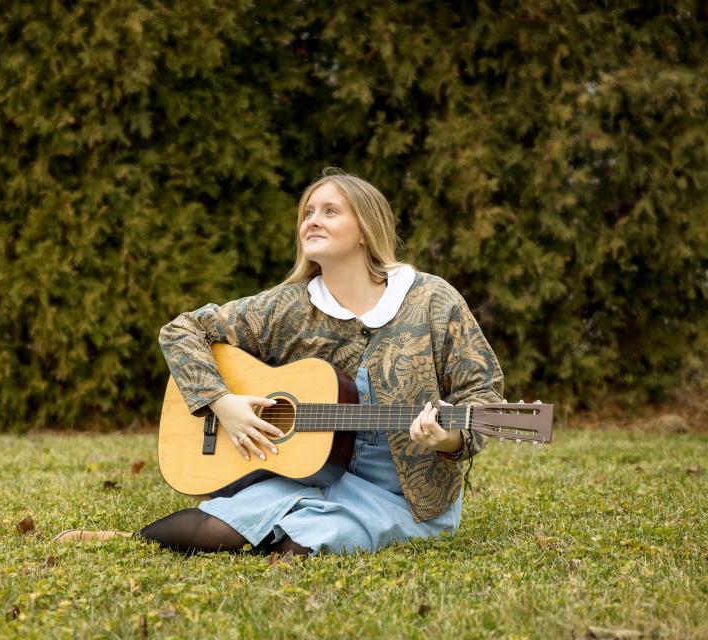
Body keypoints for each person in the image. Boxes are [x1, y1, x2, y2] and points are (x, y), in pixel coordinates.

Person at [57, 169, 504, 555]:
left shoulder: (431, 300)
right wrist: (221, 402)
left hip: (404, 496)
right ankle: (126, 538)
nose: (313, 220)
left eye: (330, 211)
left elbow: (482, 394)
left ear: (366, 229)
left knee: (301, 545)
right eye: (308, 212)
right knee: (213, 529)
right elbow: (181, 331)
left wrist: (447, 439)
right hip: (313, 477)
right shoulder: (289, 306)